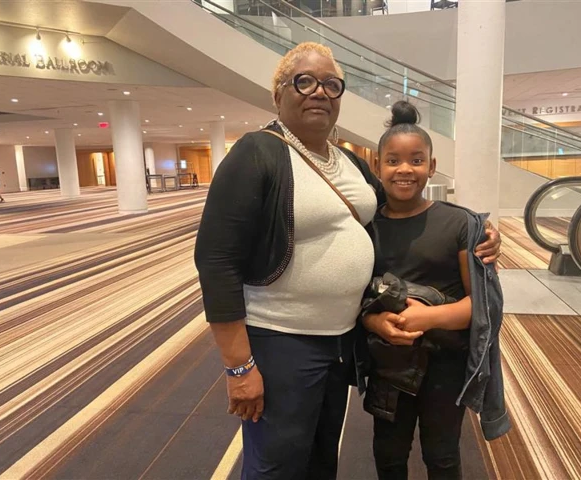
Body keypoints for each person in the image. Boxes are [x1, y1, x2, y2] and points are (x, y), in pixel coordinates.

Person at [194, 42, 501, 480]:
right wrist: (239, 366)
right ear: (277, 93)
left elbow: (400, 206)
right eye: (304, 81)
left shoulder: (350, 164)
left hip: (340, 340)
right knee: (277, 462)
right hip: (282, 339)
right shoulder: (256, 153)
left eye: (331, 85)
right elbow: (216, 260)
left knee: (321, 456)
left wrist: (480, 229)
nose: (319, 91)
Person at [361, 101, 510, 480]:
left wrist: (428, 317)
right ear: (377, 166)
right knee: (388, 452)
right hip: (389, 361)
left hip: (446, 361)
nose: (404, 169)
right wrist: (377, 323)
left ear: (431, 164)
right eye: (392, 161)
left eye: (416, 160)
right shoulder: (365, 228)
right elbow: (356, 296)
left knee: (441, 454)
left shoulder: (458, 223)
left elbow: (483, 306)